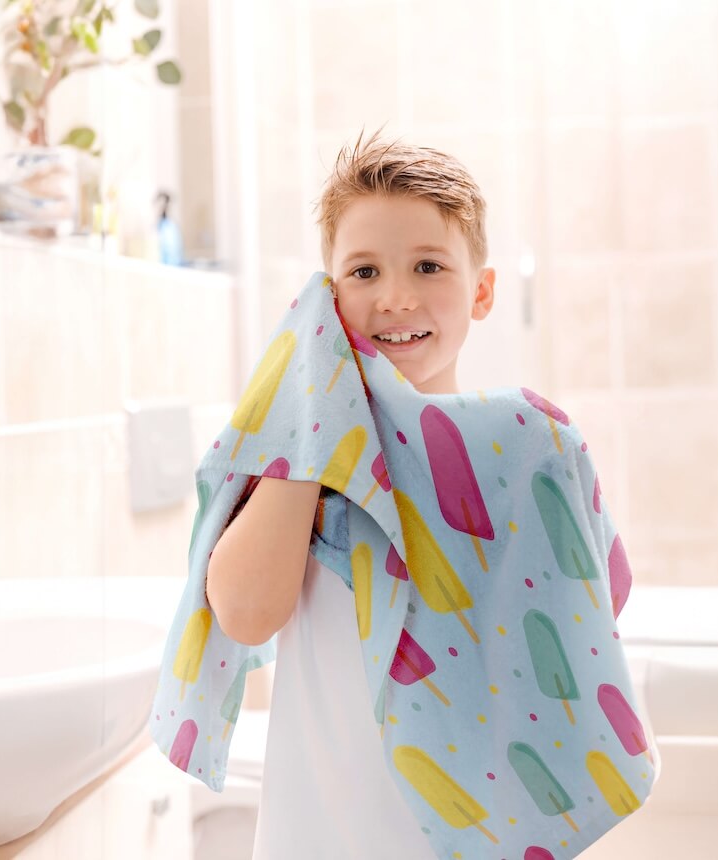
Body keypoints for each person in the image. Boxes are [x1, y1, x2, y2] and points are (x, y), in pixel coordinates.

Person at [205, 128, 497, 858]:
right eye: (363, 273)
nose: (396, 297)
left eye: (428, 266)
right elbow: (244, 614)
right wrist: (316, 424)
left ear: (482, 291)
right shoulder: (305, 473)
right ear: (326, 300)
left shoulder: (513, 453)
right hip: (322, 836)